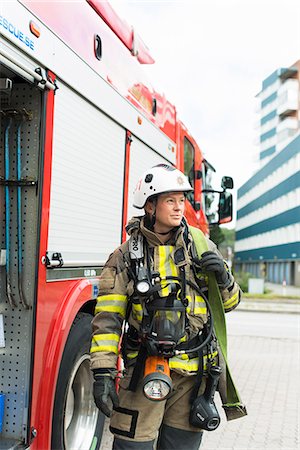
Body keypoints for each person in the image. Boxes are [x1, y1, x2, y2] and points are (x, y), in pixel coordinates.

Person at [90, 164, 246, 450]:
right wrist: (102, 373)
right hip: (144, 373)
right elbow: (108, 320)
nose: (179, 208)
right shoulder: (125, 256)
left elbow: (231, 303)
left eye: (182, 200)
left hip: (192, 378)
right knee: (131, 447)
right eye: (170, 201)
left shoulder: (201, 247)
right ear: (150, 206)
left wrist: (223, 279)